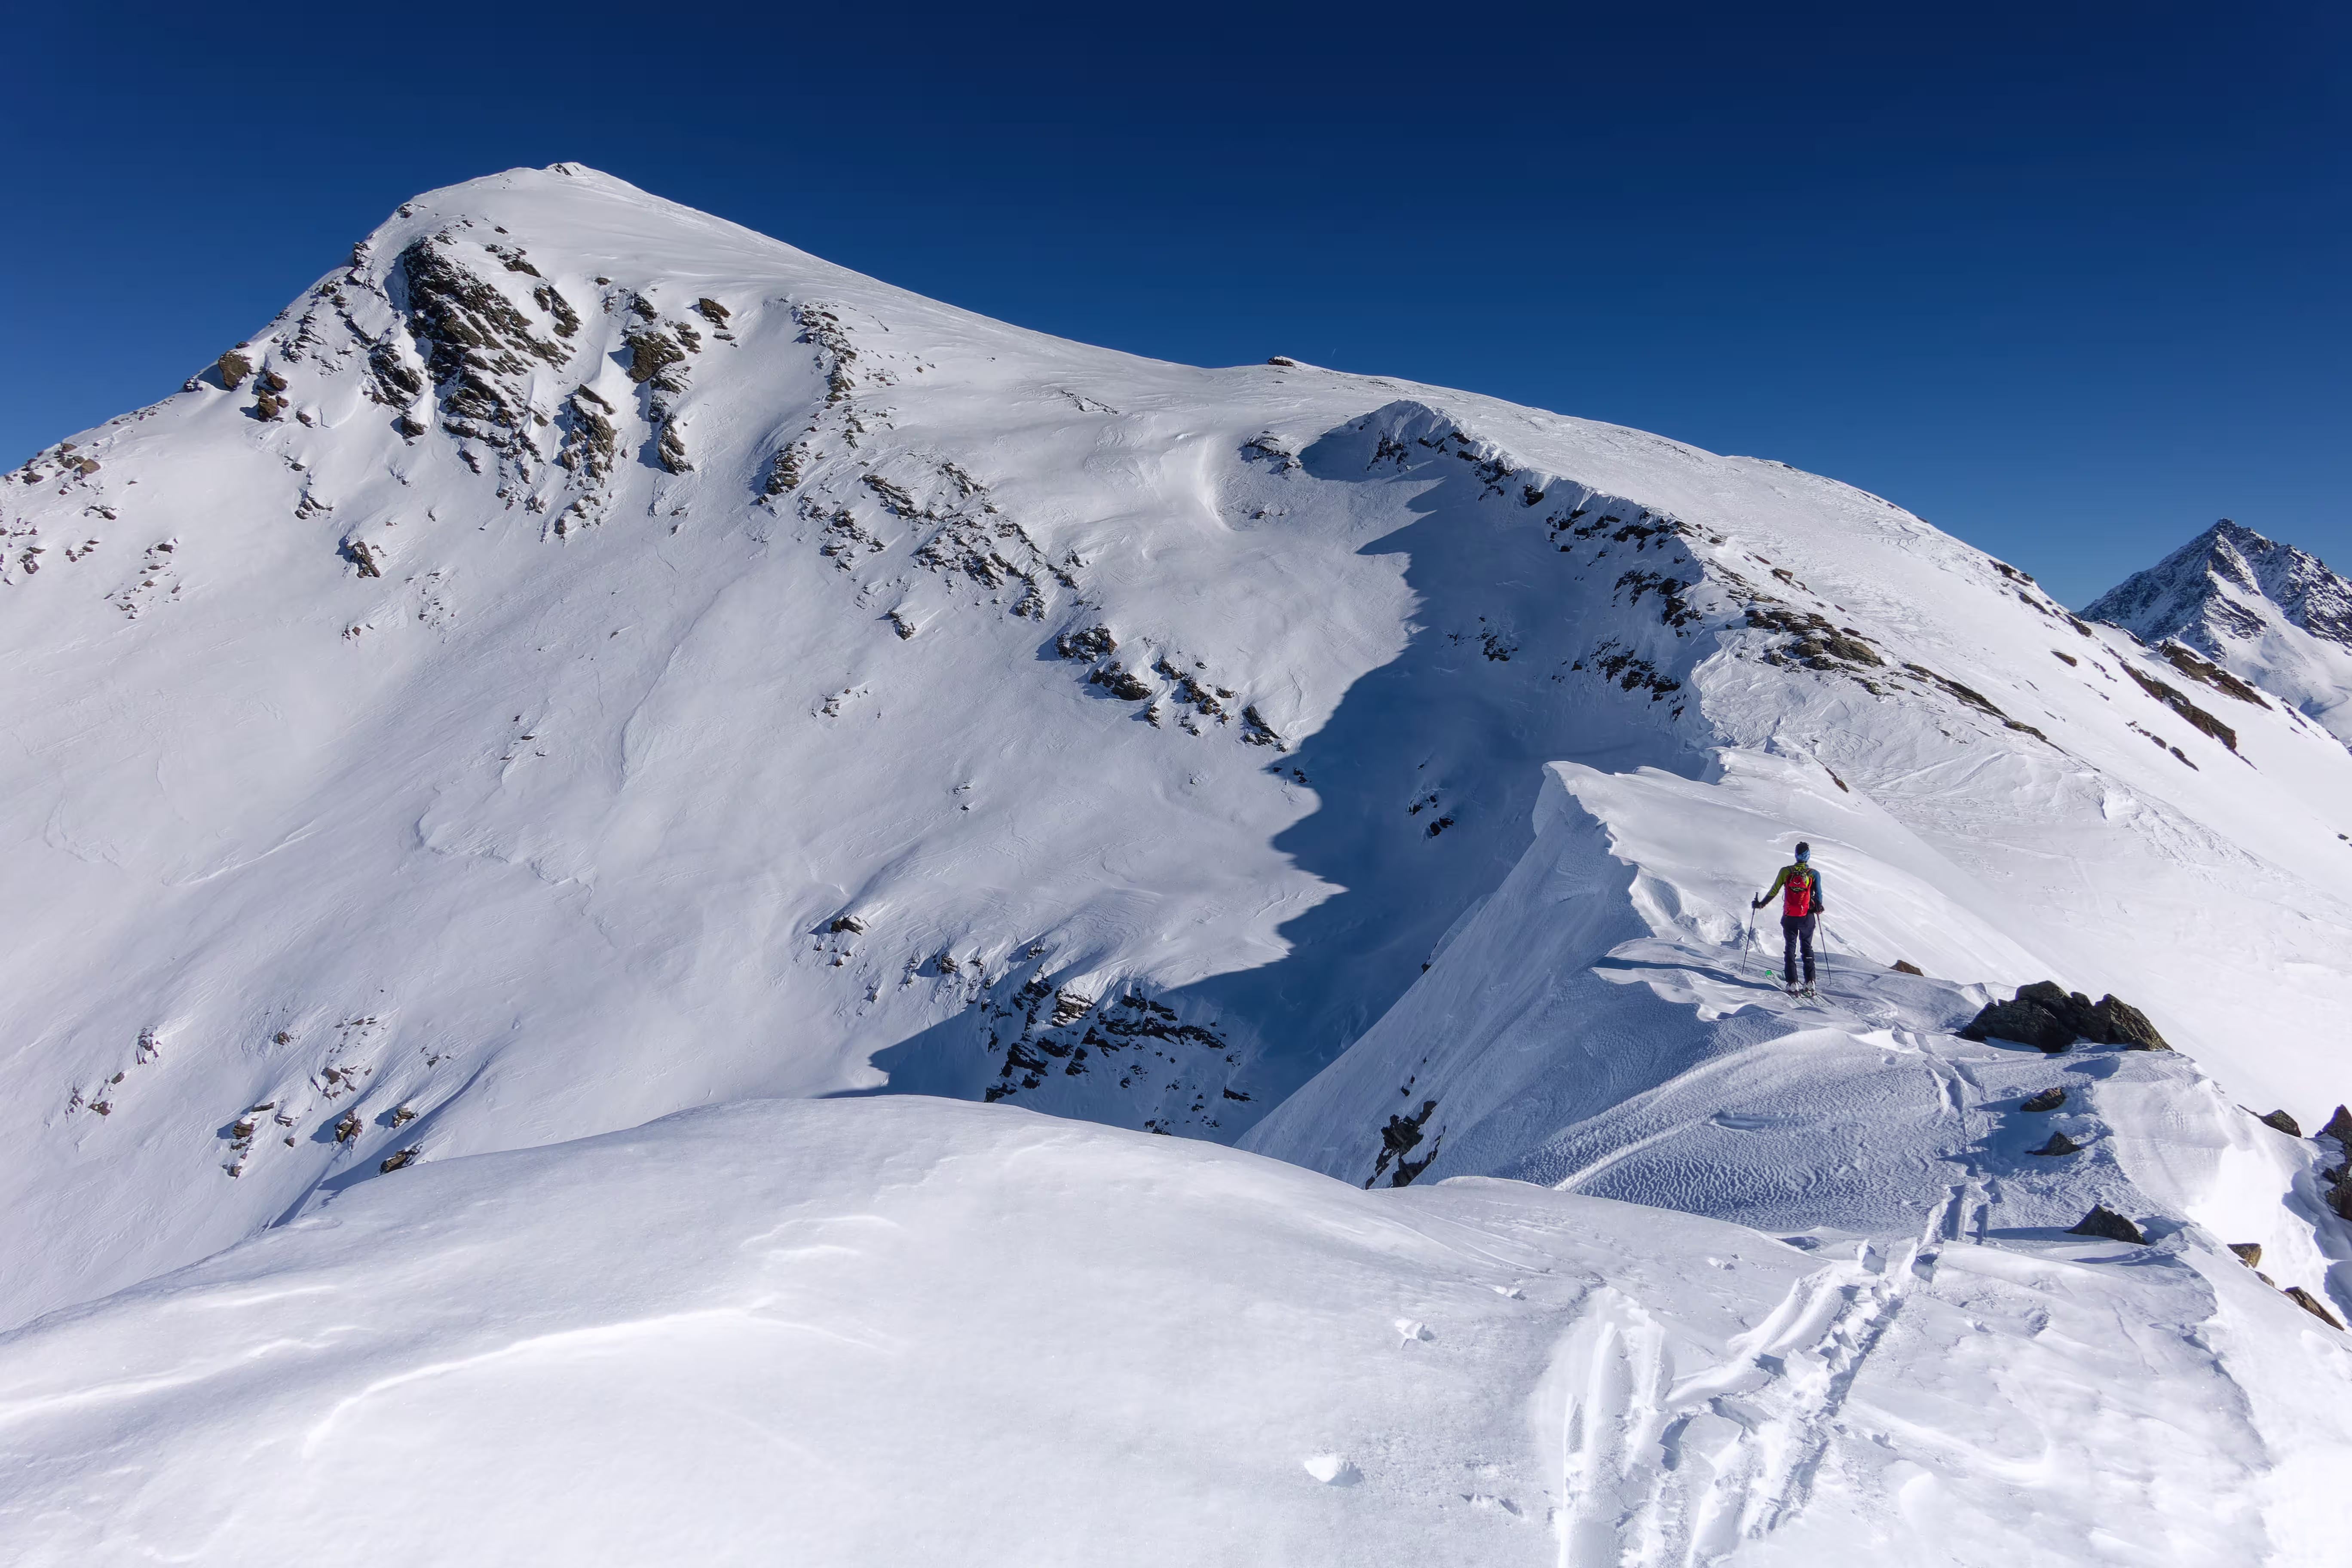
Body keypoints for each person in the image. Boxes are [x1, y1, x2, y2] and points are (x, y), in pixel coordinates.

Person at [1754, 842, 1824, 995]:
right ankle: (1810, 982)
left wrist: (1761, 904)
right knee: (1807, 947)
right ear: (1808, 856)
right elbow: (1819, 895)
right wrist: (1819, 907)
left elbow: (1775, 890)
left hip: (1789, 916)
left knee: (1790, 948)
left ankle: (1792, 983)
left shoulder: (1786, 872)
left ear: (1796, 855)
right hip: (1807, 917)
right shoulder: (1814, 874)